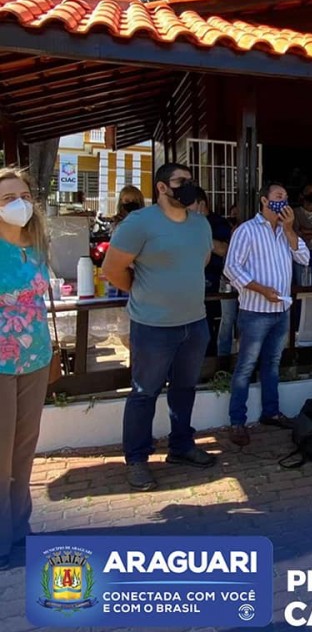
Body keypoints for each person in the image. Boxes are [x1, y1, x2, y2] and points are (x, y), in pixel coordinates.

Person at [102, 163, 214, 491]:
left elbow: (200, 261)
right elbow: (112, 269)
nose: (188, 187)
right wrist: (142, 291)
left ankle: (181, 447)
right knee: (143, 393)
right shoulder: (140, 223)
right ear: (163, 187)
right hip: (152, 327)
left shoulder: (200, 225)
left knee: (184, 390)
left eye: (191, 182)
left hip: (194, 324)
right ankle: (137, 459)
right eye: (181, 182)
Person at [224, 181, 310, 447]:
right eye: (277, 196)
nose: (282, 200)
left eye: (285, 196)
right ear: (264, 200)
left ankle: (270, 412)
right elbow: (232, 268)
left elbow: (304, 258)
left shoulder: (285, 231)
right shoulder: (247, 230)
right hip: (255, 311)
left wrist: (290, 230)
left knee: (272, 364)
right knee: (246, 367)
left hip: (281, 309)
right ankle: (237, 421)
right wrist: (261, 290)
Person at [0, 168, 51, 570]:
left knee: (23, 450)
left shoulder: (36, 244)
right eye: (6, 198)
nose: (18, 203)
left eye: (23, 194)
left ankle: (19, 526)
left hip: (35, 361)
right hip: (0, 364)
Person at [194, 187, 234, 356]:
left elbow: (225, 250)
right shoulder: (183, 222)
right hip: (189, 282)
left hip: (215, 280)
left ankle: (213, 364)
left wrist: (199, 232)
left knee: (214, 324)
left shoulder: (218, 223)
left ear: (202, 204)